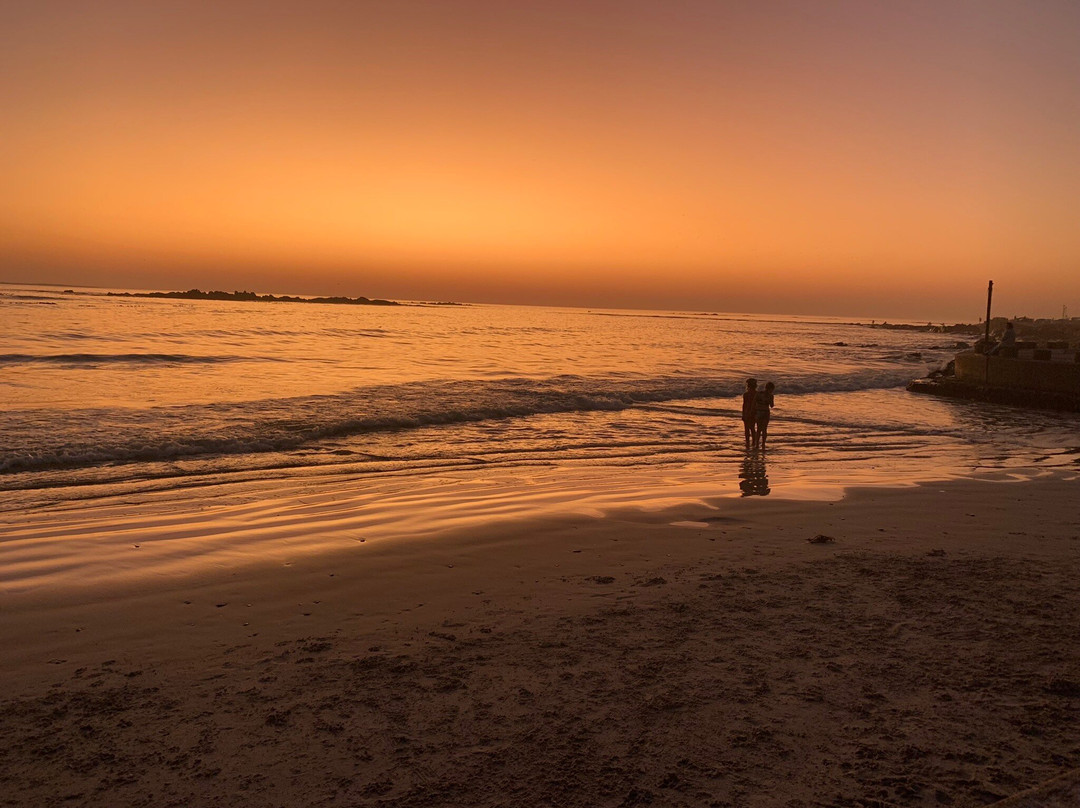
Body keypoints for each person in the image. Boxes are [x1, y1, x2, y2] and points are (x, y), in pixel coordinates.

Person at [755, 381, 775, 448]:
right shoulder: (770, 396)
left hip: (759, 412)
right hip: (765, 412)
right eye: (772, 389)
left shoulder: (759, 393)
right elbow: (772, 405)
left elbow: (754, 403)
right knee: (764, 429)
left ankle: (757, 444)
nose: (772, 391)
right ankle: (763, 443)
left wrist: (753, 411)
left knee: (759, 429)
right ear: (770, 388)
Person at [741, 378, 758, 447]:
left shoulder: (746, 394)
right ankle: (753, 442)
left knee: (747, 428)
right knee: (751, 428)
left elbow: (744, 405)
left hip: (748, 412)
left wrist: (743, 413)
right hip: (752, 412)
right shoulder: (756, 394)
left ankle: (748, 442)